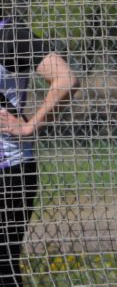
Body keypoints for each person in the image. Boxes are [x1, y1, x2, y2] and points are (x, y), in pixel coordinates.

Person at [0, 16, 78, 286]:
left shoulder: (10, 37)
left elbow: (65, 80)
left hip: (9, 170)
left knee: (4, 264)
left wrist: (30, 126)